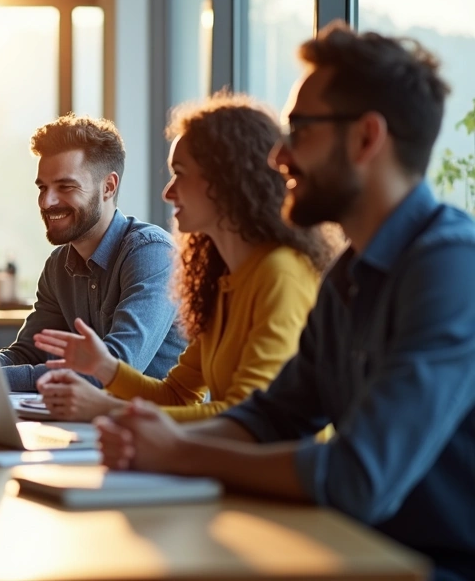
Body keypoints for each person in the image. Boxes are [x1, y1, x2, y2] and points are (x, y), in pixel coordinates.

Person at [95, 22, 475, 580]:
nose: (278, 157)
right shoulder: (349, 274)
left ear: (367, 138)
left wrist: (179, 452)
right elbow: (275, 414)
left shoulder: (450, 268)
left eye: (299, 130)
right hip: (350, 550)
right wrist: (150, 439)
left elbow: (357, 477)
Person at [33, 93, 333, 422]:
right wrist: (105, 367)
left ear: (226, 181)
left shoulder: (279, 273)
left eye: (180, 173)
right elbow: (177, 395)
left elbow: (246, 417)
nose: (168, 192)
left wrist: (107, 407)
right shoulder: (224, 281)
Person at [0, 114, 186, 392]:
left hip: (159, 428)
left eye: (65, 186)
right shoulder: (58, 265)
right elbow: (26, 353)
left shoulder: (153, 253)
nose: (47, 201)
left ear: (108, 187)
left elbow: (114, 367)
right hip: (92, 423)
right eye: (43, 187)